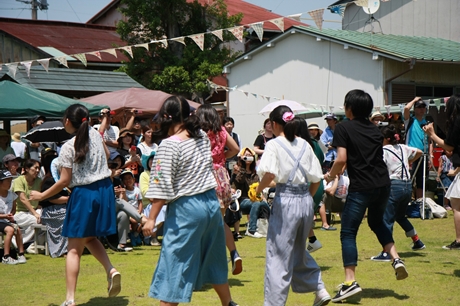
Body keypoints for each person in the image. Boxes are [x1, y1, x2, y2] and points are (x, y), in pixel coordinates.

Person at [142, 96, 238, 306]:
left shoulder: (169, 145)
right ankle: (228, 303)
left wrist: (151, 218)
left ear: (166, 117)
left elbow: (162, 186)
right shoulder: (202, 136)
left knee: (174, 262)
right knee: (214, 256)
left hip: (187, 208)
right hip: (210, 205)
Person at [30, 104, 121, 306]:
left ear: (67, 121)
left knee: (72, 249)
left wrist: (41, 194)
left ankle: (70, 300)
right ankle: (110, 269)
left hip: (84, 194)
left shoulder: (68, 147)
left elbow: (63, 181)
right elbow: (106, 157)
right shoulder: (96, 135)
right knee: (89, 238)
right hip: (105, 190)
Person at [325, 89, 408, 303]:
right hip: (383, 184)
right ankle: (396, 259)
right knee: (376, 222)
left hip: (361, 186)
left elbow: (341, 158)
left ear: (349, 108)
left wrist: (330, 175)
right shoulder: (375, 129)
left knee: (348, 232)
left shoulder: (343, 127)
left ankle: (350, 282)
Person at [255, 106, 331, 306]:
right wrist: (306, 199)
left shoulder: (273, 145)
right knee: (297, 250)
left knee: (278, 254)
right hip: (305, 199)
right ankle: (319, 288)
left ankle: (274, 304)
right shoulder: (305, 144)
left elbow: (269, 174)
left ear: (273, 123)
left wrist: (257, 190)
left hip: (285, 200)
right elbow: (317, 179)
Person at [195, 104, 242, 275]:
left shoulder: (199, 132)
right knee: (220, 222)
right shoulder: (221, 130)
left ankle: (205, 264)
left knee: (202, 223)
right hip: (221, 175)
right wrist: (222, 157)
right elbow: (236, 149)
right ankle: (233, 252)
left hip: (205, 175)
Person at [370, 125, 424, 262]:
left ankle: (386, 252)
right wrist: (408, 161)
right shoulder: (403, 148)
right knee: (400, 216)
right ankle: (417, 241)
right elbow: (419, 151)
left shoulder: (383, 150)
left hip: (393, 186)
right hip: (407, 185)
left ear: (385, 139)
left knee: (386, 219)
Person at [423, 94, 460, 250]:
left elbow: (449, 146)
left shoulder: (457, 121)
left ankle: (459, 240)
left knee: (456, 205)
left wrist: (432, 134)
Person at [232, 147, 270, 238]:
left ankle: (272, 227)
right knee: (256, 203)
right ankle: (251, 230)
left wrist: (263, 199)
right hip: (241, 200)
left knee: (265, 205)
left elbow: (258, 187)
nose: (248, 157)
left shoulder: (255, 173)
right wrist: (243, 168)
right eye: (246, 156)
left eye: (250, 156)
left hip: (253, 199)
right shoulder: (237, 170)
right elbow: (239, 182)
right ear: (241, 157)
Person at [39, 148, 69, 258]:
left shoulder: (65, 180)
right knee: (66, 215)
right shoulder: (49, 181)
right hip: (51, 211)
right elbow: (51, 198)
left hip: (62, 207)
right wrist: (69, 199)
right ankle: (62, 250)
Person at [12, 159, 42, 252]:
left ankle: (32, 244)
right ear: (27, 169)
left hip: (34, 210)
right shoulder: (18, 180)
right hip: (20, 213)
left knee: (45, 218)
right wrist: (35, 213)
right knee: (35, 219)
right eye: (35, 168)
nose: (37, 170)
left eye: (39, 168)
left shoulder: (39, 181)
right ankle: (20, 243)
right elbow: (23, 199)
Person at [404, 97, 431, 199]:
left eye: (423, 107)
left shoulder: (427, 122)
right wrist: (414, 100)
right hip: (411, 154)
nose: (421, 109)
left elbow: (430, 140)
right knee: (409, 178)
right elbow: (406, 109)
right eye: (419, 107)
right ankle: (407, 201)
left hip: (424, 155)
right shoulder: (410, 120)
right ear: (415, 109)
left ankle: (419, 202)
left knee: (421, 181)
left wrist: (430, 155)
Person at [0, 170, 26, 265]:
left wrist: (10, 215)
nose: (9, 183)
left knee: (18, 230)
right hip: (1, 220)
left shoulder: (12, 195)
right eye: (7, 181)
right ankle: (6, 257)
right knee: (10, 230)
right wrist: (4, 216)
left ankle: (21, 254)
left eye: (11, 181)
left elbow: (14, 209)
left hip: (7, 219)